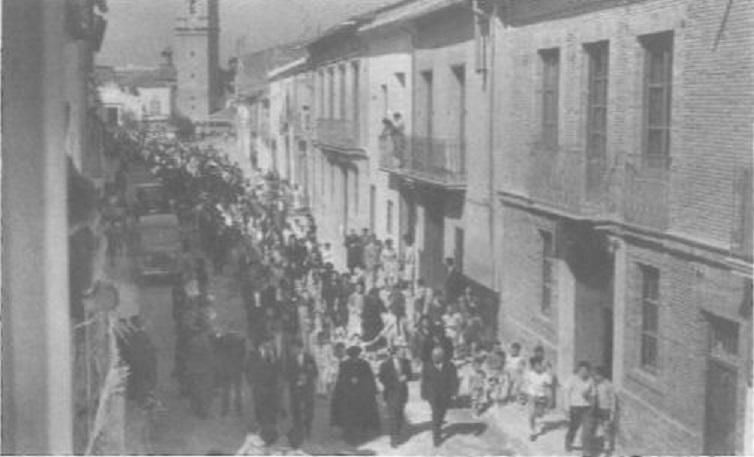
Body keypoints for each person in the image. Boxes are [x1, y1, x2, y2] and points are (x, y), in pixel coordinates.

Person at [331, 345, 381, 445]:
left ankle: (363, 433)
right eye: (353, 356)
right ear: (350, 355)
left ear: (358, 355)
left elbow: (369, 378)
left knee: (363, 413)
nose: (355, 357)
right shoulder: (344, 364)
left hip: (361, 394)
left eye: (356, 355)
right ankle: (349, 435)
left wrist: (370, 389)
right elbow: (341, 379)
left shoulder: (364, 364)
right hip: (349, 394)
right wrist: (346, 385)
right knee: (349, 414)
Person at [246, 339, 285, 445]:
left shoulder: (274, 354)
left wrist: (278, 382)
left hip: (272, 387)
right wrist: (252, 382)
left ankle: (272, 430)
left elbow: (278, 368)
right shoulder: (254, 354)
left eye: (270, 343)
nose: (269, 345)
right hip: (259, 386)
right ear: (262, 343)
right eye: (267, 343)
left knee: (271, 408)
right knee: (260, 407)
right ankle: (261, 428)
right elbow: (248, 368)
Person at [421, 347, 459, 447]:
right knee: (436, 414)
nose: (434, 358)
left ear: (442, 357)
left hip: (445, 395)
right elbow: (424, 381)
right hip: (433, 395)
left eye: (436, 356)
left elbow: (454, 380)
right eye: (433, 356)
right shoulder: (427, 366)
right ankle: (436, 436)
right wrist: (424, 393)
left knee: (441, 413)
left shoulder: (450, 366)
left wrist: (454, 393)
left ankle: (437, 426)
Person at [378, 344, 413, 448]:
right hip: (391, 393)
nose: (403, 353)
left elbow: (411, 375)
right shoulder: (385, 364)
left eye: (404, 352)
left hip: (402, 393)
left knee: (400, 415)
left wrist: (406, 377)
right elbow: (382, 378)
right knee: (392, 416)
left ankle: (397, 432)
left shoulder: (406, 362)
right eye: (401, 351)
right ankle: (394, 439)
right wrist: (394, 382)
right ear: (395, 352)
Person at [286, 339, 319, 444]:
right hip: (295, 389)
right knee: (295, 410)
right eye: (292, 348)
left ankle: (308, 429)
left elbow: (315, 372)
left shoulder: (309, 358)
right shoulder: (290, 359)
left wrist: (306, 377)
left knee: (309, 411)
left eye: (294, 347)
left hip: (308, 389)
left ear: (300, 348)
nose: (292, 350)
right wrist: (296, 378)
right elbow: (287, 374)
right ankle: (297, 432)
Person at [213, 330, 246, 417]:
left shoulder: (222, 339)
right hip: (236, 368)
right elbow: (243, 354)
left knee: (225, 390)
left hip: (225, 367)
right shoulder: (241, 339)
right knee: (238, 390)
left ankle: (224, 410)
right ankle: (239, 410)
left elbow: (217, 352)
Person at [564, 361, 594, 452]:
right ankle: (568, 441)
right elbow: (566, 394)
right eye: (582, 370)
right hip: (575, 407)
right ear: (578, 370)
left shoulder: (590, 380)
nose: (584, 372)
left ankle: (586, 450)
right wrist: (566, 408)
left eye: (586, 370)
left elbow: (593, 395)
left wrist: (591, 403)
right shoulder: (572, 379)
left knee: (587, 429)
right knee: (574, 427)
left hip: (586, 408)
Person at [526, 356, 553, 441]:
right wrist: (524, 395)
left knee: (540, 414)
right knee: (531, 414)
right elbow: (525, 384)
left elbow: (548, 388)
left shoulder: (546, 376)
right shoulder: (530, 374)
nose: (539, 367)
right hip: (532, 395)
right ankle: (532, 431)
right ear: (533, 366)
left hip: (542, 396)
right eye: (537, 365)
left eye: (540, 365)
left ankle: (539, 417)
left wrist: (549, 401)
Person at [591, 366, 616, 456]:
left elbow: (613, 399)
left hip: (606, 409)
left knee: (606, 429)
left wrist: (612, 412)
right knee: (598, 428)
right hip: (598, 409)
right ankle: (599, 446)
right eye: (595, 375)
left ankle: (607, 448)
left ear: (602, 375)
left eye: (597, 375)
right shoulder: (595, 384)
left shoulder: (608, 385)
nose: (595, 377)